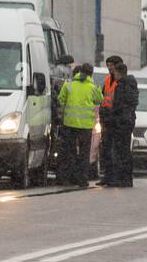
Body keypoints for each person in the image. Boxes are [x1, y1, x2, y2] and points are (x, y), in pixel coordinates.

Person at [57, 62, 102, 187]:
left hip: (69, 124)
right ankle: (82, 180)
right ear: (91, 74)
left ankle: (67, 179)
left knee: (69, 152)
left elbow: (60, 99)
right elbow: (99, 100)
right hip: (85, 126)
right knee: (84, 153)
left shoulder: (69, 84)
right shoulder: (93, 87)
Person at [102, 62, 138, 186]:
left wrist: (112, 117)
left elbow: (119, 105)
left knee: (121, 151)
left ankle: (123, 178)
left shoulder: (122, 86)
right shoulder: (131, 84)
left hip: (122, 122)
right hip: (127, 121)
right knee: (124, 151)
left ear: (120, 73)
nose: (114, 75)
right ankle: (126, 178)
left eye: (115, 73)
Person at [97, 55, 122, 185]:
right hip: (106, 118)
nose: (109, 68)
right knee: (106, 149)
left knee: (114, 150)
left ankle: (114, 177)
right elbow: (103, 97)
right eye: (108, 65)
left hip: (115, 119)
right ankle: (107, 176)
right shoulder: (107, 80)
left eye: (111, 65)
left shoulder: (121, 81)